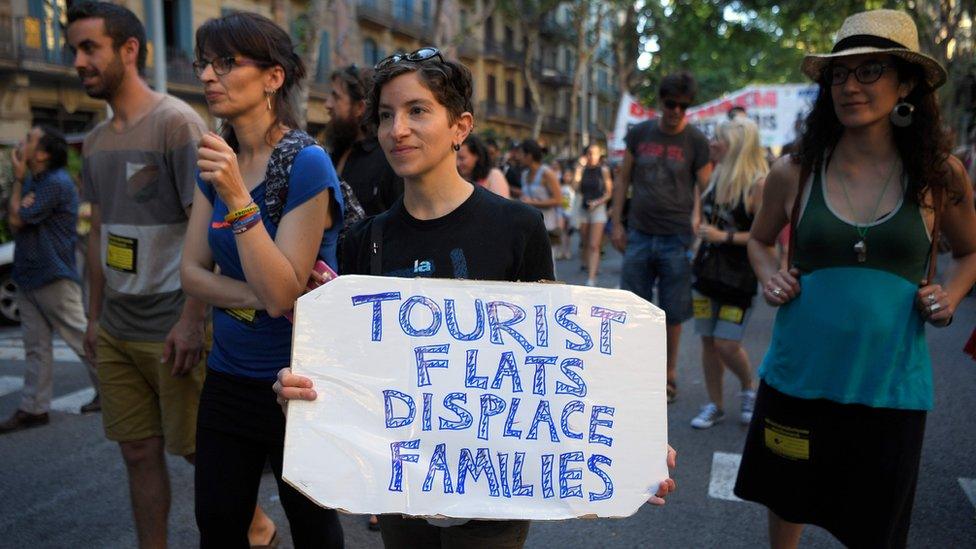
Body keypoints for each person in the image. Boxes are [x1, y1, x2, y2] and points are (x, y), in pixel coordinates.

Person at [271, 46, 677, 547]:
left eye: (417, 111)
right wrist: (305, 397)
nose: (397, 129)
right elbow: (357, 378)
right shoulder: (364, 241)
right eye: (384, 116)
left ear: (460, 127)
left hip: (498, 498)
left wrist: (633, 441)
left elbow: (556, 364)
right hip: (402, 496)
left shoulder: (518, 227)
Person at [733, 10, 976, 548]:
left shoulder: (940, 174)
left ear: (906, 81)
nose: (849, 86)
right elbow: (759, 240)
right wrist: (771, 277)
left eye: (869, 72)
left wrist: (950, 294)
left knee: (875, 525)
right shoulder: (794, 170)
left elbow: (971, 252)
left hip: (889, 387)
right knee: (788, 497)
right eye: (839, 75)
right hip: (798, 378)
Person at [66, 4, 269, 548]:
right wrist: (93, 316)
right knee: (136, 452)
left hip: (172, 322)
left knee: (196, 447)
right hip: (116, 325)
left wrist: (191, 321)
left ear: (129, 50)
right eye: (75, 50)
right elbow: (99, 232)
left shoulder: (178, 124)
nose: (78, 62)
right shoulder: (97, 138)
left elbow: (206, 232)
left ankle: (258, 529)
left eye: (90, 48)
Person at [179, 11, 345, 548]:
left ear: (273, 77)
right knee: (219, 525)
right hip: (228, 374)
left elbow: (281, 293)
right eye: (205, 63)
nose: (208, 75)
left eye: (227, 63)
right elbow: (191, 274)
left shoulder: (307, 163)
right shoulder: (219, 155)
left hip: (297, 383)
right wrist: (260, 294)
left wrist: (236, 196)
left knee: (315, 531)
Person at [610, 71, 712, 404]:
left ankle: (668, 375)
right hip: (639, 233)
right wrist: (616, 222)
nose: (677, 111)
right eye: (671, 104)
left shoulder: (696, 141)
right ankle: (634, 372)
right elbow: (623, 179)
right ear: (661, 102)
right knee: (633, 309)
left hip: (677, 237)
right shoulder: (639, 134)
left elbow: (706, 188)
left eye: (684, 106)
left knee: (672, 313)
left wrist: (700, 221)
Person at [0, 126, 101, 434]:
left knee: (82, 338)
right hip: (29, 274)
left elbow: (17, 218)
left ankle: (115, 391)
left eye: (29, 139)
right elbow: (16, 223)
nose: (22, 142)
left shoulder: (55, 183)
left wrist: (17, 179)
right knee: (35, 346)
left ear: (42, 153)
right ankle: (34, 408)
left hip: (53, 274)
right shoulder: (36, 180)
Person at [688, 117, 767, 429]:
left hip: (739, 280)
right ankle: (715, 404)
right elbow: (701, 218)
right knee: (708, 341)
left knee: (726, 343)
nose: (711, 144)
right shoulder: (713, 177)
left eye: (717, 139)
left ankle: (749, 388)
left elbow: (765, 236)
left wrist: (725, 238)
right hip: (705, 275)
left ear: (734, 146)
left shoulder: (759, 185)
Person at [325, 64, 403, 216]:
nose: (327, 104)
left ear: (360, 107)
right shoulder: (334, 154)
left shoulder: (389, 159)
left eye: (336, 97)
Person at [519, 139, 563, 275]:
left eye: (522, 154)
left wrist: (532, 203)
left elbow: (558, 199)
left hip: (548, 224)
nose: (519, 157)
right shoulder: (525, 175)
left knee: (549, 264)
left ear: (529, 155)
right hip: (529, 224)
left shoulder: (546, 173)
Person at [573, 144, 614, 287]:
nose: (591, 157)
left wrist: (597, 203)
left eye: (594, 153)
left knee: (594, 244)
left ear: (599, 155)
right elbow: (575, 188)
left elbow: (609, 193)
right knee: (585, 242)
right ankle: (588, 263)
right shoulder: (582, 170)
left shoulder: (603, 170)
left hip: (598, 208)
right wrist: (578, 171)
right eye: (589, 154)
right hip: (583, 209)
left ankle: (591, 278)